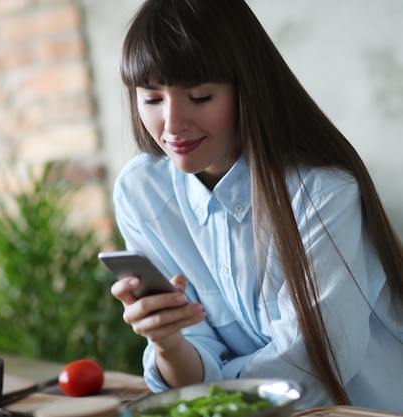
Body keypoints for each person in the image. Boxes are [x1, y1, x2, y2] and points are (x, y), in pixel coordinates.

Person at [109, 0, 403, 412]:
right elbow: (191, 361)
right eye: (152, 99)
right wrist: (167, 341)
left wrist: (216, 382)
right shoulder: (142, 192)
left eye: (200, 96)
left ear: (247, 89)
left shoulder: (321, 191)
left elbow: (316, 365)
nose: (172, 125)